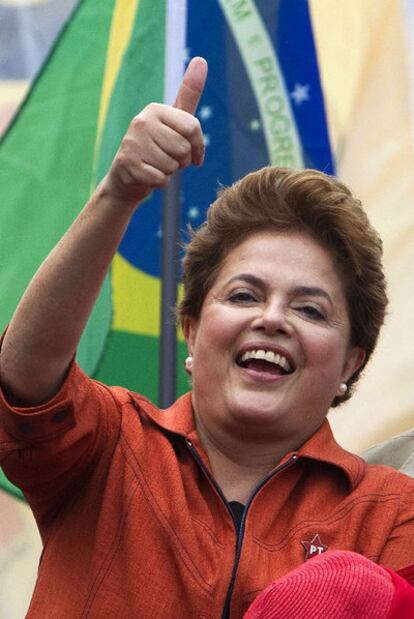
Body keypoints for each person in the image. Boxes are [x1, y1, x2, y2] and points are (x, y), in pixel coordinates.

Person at [0, 57, 413, 618]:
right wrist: (118, 194)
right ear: (191, 331)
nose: (273, 319)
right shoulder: (110, 446)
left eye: (311, 310)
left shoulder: (391, 513)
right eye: (243, 295)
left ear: (351, 361)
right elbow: (24, 379)